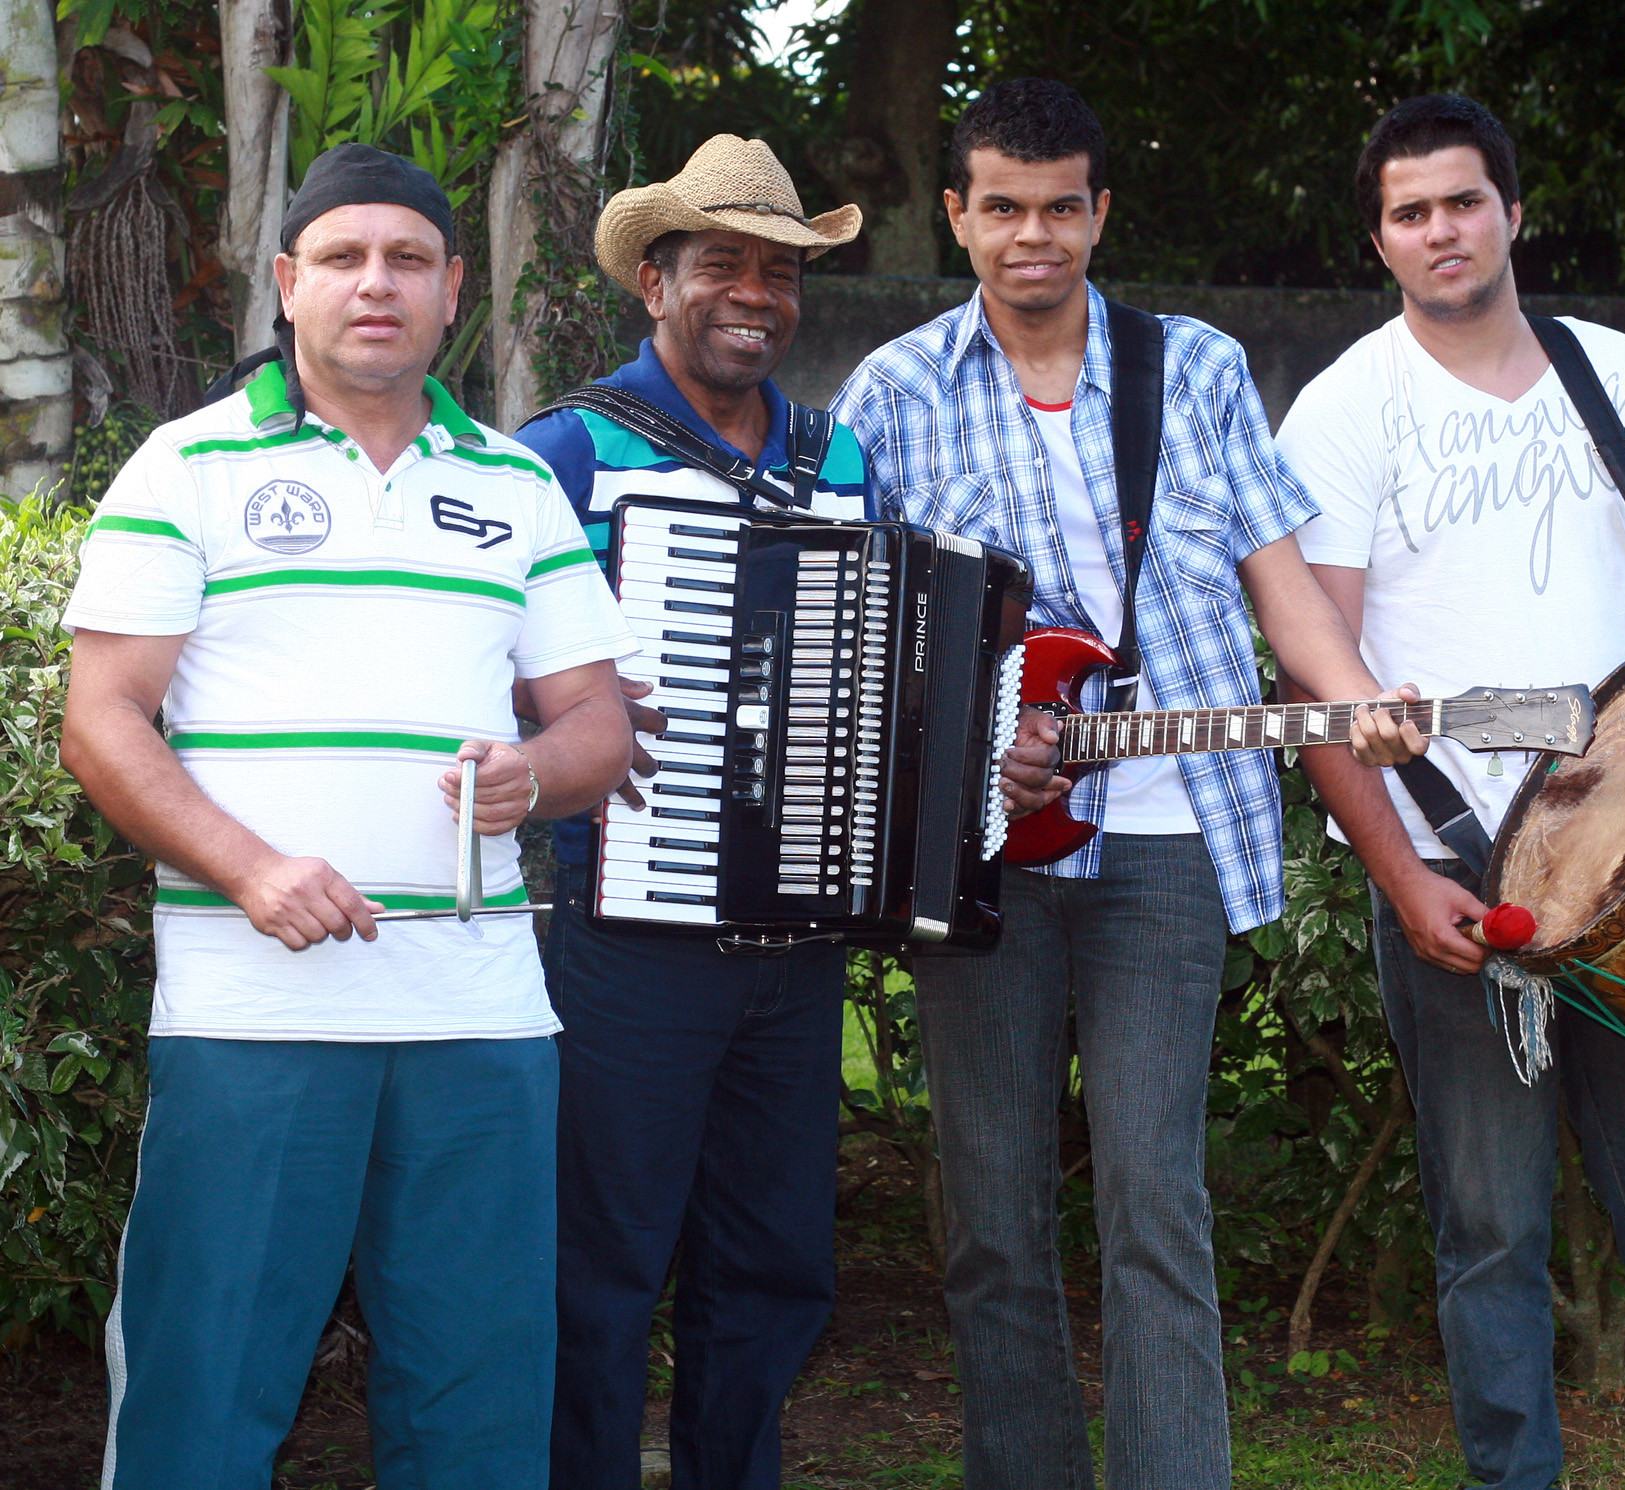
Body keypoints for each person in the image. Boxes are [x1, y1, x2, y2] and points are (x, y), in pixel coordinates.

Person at [832, 79, 1417, 1490]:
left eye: (1061, 208)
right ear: (958, 215)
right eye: (1004, 209)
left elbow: (1284, 584)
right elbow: (860, 640)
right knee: (990, 1213)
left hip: (1167, 832)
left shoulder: (1194, 367)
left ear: (1100, 213)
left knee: (1158, 1199)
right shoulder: (892, 394)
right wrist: (966, 741)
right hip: (983, 846)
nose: (1033, 235)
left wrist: (1355, 703)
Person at [59, 144, 637, 1489]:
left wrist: (533, 776)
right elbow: (103, 718)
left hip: (481, 1019)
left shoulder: (514, 485)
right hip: (254, 1015)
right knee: (203, 1394)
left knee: (478, 1409)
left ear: (453, 292)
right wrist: (252, 867)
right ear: (287, 282)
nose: (374, 283)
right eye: (342, 257)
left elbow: (598, 726)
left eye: (408, 259)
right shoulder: (184, 467)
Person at [1276, 94, 1625, 1490]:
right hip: (1460, 867)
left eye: (1462, 201)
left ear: (1514, 209)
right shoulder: (1344, 409)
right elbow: (1318, 686)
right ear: (1378, 239)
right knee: (1491, 1232)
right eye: (1408, 212)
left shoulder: (1612, 371)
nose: (1439, 230)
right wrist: (1405, 877)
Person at [512, 134, 1054, 1490]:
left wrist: (989, 758)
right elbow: (504, 676)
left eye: (779, 271)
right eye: (722, 265)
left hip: (799, 948)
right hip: (626, 939)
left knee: (771, 1268)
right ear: (656, 279)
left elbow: (896, 678)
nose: (754, 293)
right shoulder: (565, 456)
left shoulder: (840, 463)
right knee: (605, 1265)